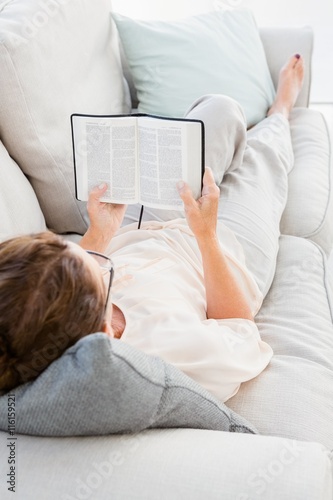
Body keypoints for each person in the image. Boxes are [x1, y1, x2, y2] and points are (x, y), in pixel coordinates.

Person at [0, 54, 304, 402]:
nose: (94, 256)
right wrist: (206, 237)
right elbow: (241, 332)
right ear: (104, 334)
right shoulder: (167, 349)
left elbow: (68, 273)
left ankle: (226, 152)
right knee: (262, 160)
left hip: (140, 229)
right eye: (101, 271)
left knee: (220, 110)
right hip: (224, 253)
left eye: (79, 251)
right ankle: (280, 111)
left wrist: (100, 234)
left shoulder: (53, 309)